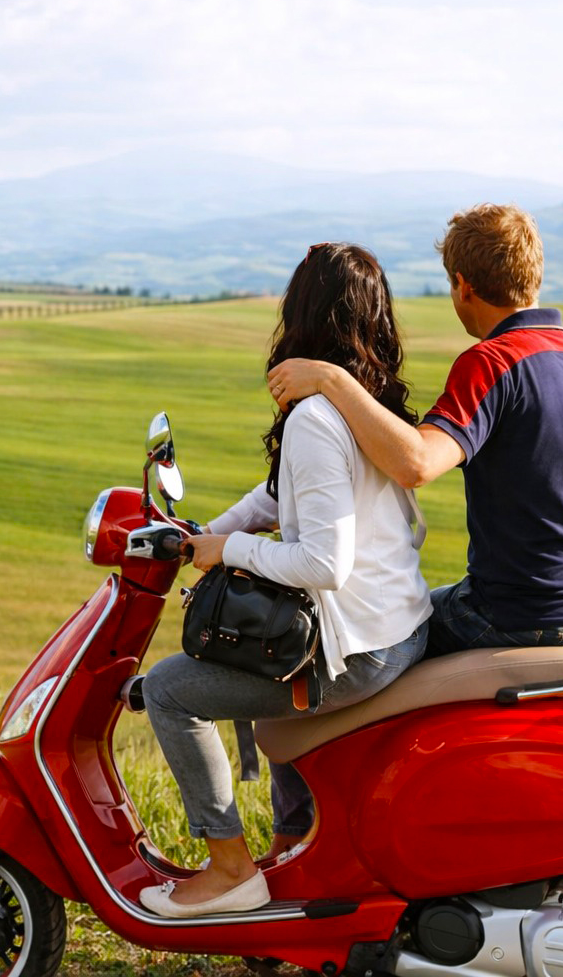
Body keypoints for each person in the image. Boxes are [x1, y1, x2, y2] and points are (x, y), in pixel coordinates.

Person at [140, 243, 431, 918]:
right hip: (397, 626)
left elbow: (325, 564)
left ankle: (231, 870)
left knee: (169, 689)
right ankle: (295, 854)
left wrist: (230, 550)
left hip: (360, 650)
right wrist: (206, 534)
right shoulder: (365, 403)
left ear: (299, 316)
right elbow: (283, 495)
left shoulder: (315, 418)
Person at [267, 204, 563, 660]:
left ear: (463, 286)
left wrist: (331, 379)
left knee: (391, 635)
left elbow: (415, 463)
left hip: (525, 615)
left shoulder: (493, 362)